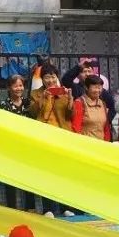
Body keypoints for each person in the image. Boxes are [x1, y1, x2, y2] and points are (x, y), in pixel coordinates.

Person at [30, 63, 76, 218]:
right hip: (44, 137)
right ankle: (48, 208)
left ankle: (65, 207)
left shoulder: (63, 93)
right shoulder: (36, 93)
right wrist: (43, 98)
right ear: (42, 79)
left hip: (62, 137)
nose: (50, 80)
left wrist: (70, 100)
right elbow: (33, 112)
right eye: (47, 77)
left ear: (57, 77)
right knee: (47, 173)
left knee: (64, 173)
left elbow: (70, 115)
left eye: (53, 76)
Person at [0, 75, 37, 211]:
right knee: (11, 177)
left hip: (27, 146)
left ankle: (31, 207)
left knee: (28, 176)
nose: (18, 88)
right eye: (15, 86)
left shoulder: (28, 104)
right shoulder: (5, 105)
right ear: (9, 88)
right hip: (11, 146)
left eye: (21, 85)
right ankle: (12, 208)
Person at [72, 74, 112, 142]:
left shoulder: (103, 103)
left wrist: (107, 142)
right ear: (86, 88)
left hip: (101, 144)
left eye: (99, 88)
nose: (97, 90)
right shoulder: (79, 103)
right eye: (95, 87)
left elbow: (106, 127)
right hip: (86, 144)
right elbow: (76, 127)